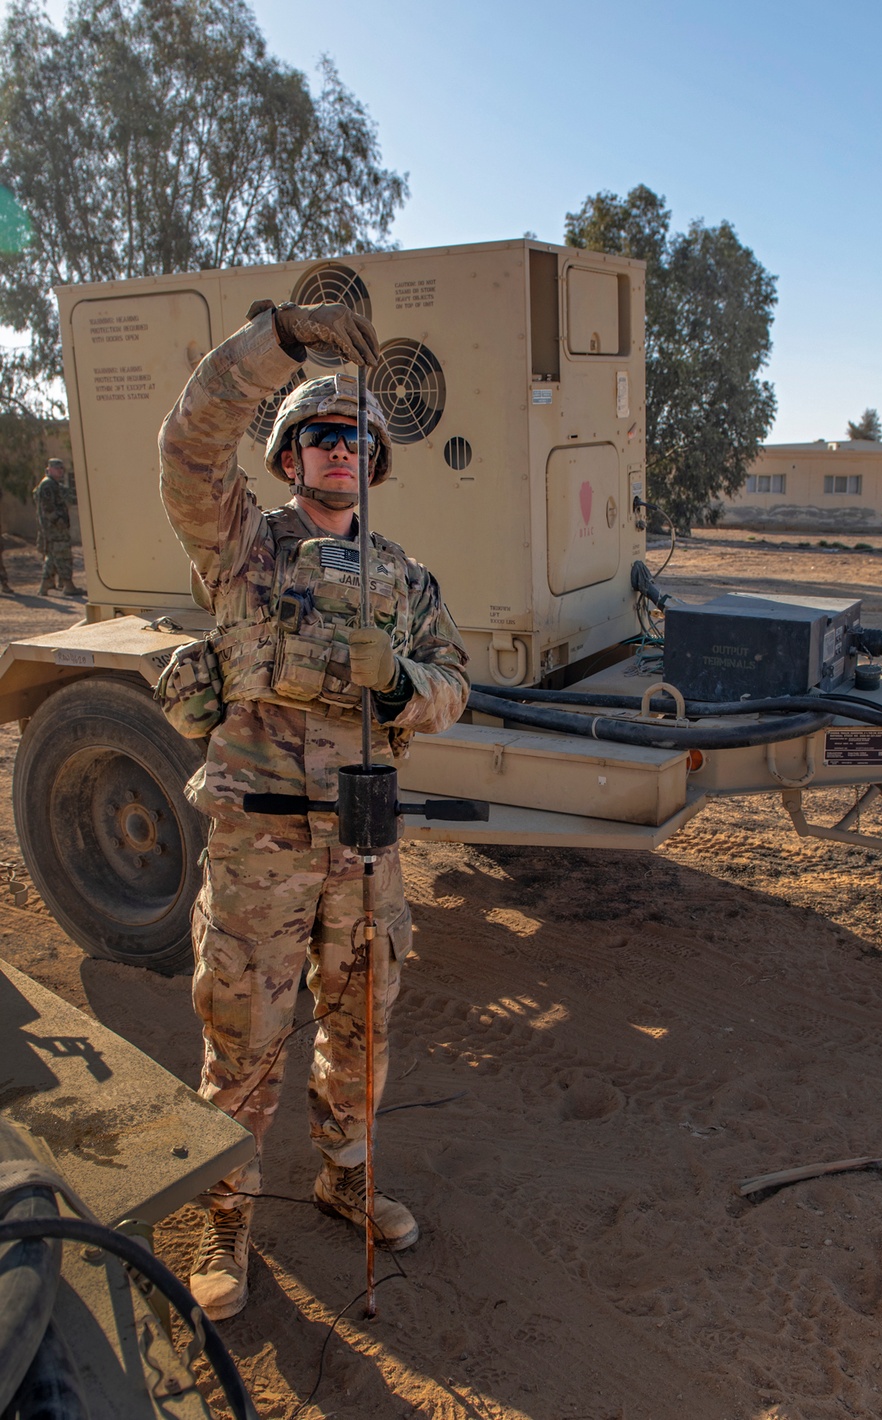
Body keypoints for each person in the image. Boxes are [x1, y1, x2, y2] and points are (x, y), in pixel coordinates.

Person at [158, 301, 470, 1321]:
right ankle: (226, 1209)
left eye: (356, 441)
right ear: (290, 456)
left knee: (361, 1026)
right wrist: (281, 338)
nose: (338, 452)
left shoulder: (409, 579)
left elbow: (459, 684)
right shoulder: (240, 546)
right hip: (260, 842)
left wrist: (402, 682)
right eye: (319, 437)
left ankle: (343, 1172)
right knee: (243, 1031)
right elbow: (192, 435)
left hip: (365, 843)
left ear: (374, 463)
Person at [33, 458, 83, 597]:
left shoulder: (53, 484)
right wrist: (58, 522)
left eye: (61, 468)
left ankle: (46, 584)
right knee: (63, 555)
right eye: (57, 468)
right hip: (55, 527)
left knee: (53, 555)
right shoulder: (48, 485)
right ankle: (67, 584)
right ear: (49, 469)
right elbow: (47, 507)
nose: (60, 471)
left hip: (53, 527)